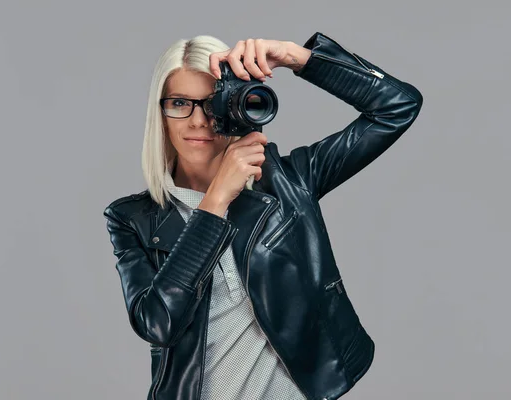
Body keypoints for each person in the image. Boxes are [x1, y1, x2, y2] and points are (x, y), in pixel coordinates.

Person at [103, 32, 423, 400]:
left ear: (236, 107)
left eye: (212, 104)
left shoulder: (290, 182)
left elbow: (397, 107)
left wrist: (297, 57)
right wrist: (216, 199)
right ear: (159, 113)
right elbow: (157, 322)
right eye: (179, 102)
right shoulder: (132, 218)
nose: (197, 121)